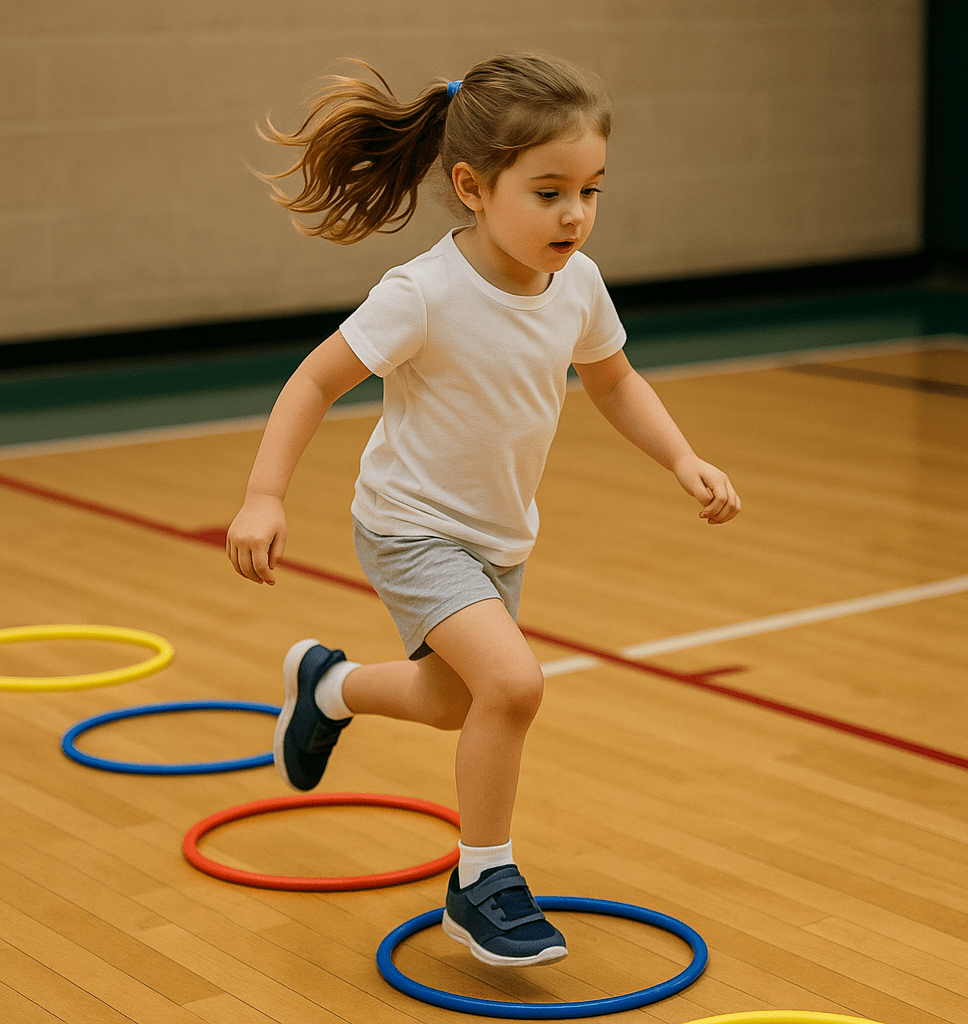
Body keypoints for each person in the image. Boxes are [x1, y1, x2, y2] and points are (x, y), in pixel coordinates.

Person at [226, 52, 740, 969]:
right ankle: (482, 881)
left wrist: (682, 456)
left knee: (449, 701)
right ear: (472, 186)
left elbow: (614, 382)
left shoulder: (577, 284)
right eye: (548, 191)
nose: (575, 214)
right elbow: (313, 380)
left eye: (590, 190)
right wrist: (265, 496)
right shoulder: (423, 294)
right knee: (514, 686)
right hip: (411, 527)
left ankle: (328, 688)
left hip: (500, 538)